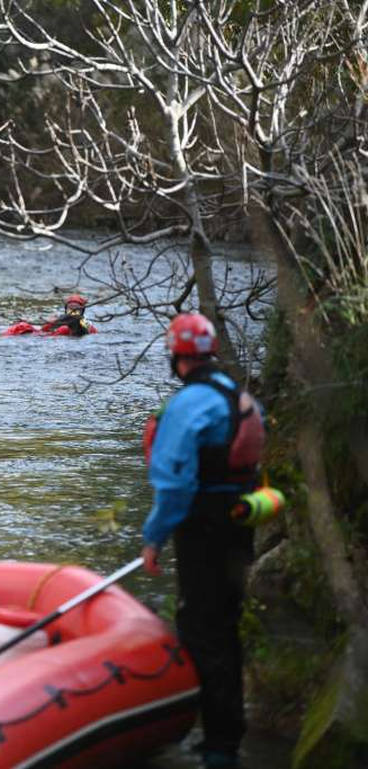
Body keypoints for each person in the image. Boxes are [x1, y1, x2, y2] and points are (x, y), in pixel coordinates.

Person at [139, 312, 266, 769]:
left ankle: (215, 747)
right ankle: (225, 734)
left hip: (203, 533)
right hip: (239, 529)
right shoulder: (241, 397)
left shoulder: (190, 405)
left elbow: (174, 485)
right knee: (225, 629)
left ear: (178, 356)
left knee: (201, 629)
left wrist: (153, 538)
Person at [2, 294, 98, 336]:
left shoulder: (87, 324)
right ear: (66, 309)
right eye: (70, 308)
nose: (73, 312)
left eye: (76, 309)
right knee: (22, 326)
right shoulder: (60, 322)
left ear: (82, 311)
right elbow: (43, 331)